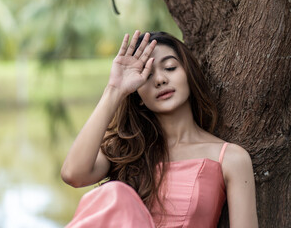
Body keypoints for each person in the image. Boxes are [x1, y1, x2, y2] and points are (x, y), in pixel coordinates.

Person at [61, 30, 258, 228]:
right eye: (146, 76)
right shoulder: (127, 150)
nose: (160, 80)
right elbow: (73, 174)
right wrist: (114, 89)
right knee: (115, 194)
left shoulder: (231, 158)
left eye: (170, 68)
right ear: (137, 96)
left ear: (189, 75)